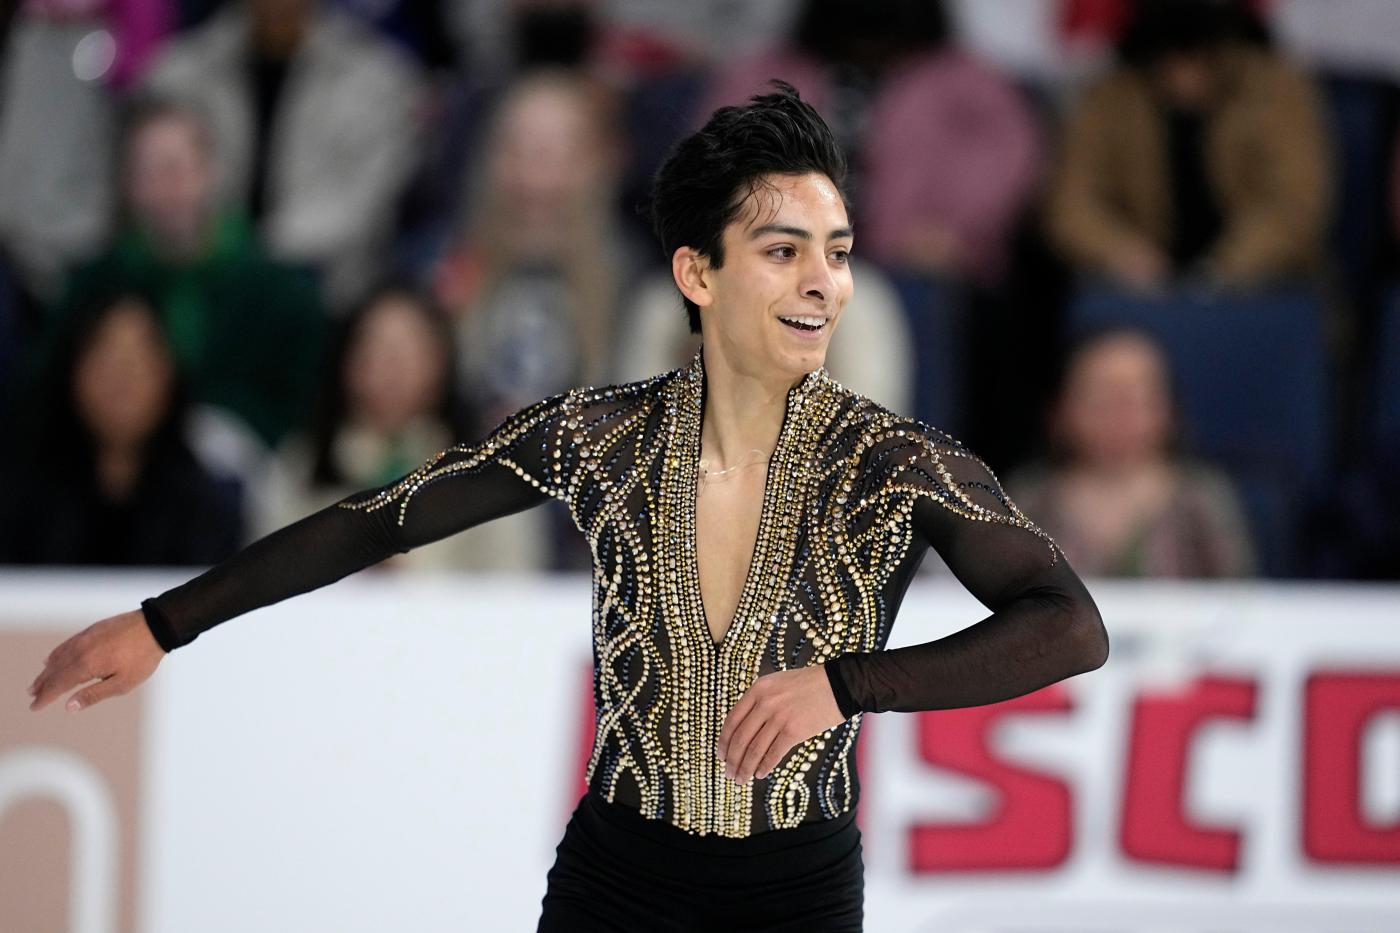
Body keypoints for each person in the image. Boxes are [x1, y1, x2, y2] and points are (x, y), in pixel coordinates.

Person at [25, 83, 1109, 931]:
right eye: (783, 253)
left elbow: (1068, 626)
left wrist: (846, 683)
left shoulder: (895, 462)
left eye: (837, 253)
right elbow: (379, 518)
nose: (823, 283)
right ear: (697, 273)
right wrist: (165, 623)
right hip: (615, 881)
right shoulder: (600, 437)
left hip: (796, 893)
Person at [1046, 0, 1332, 293]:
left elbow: (1296, 205)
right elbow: (1072, 204)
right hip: (1141, 293)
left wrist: (1223, 269)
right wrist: (1119, 250)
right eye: (1169, 58)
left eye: (1198, 57)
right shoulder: (1112, 96)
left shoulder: (1276, 90)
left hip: (1262, 289)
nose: (1183, 76)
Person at [1007, 327, 1258, 577]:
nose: (1120, 417)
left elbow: (1242, 595)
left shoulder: (1201, 498)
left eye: (1136, 399)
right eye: (1102, 400)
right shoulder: (1029, 499)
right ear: (1060, 410)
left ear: (1169, 410)